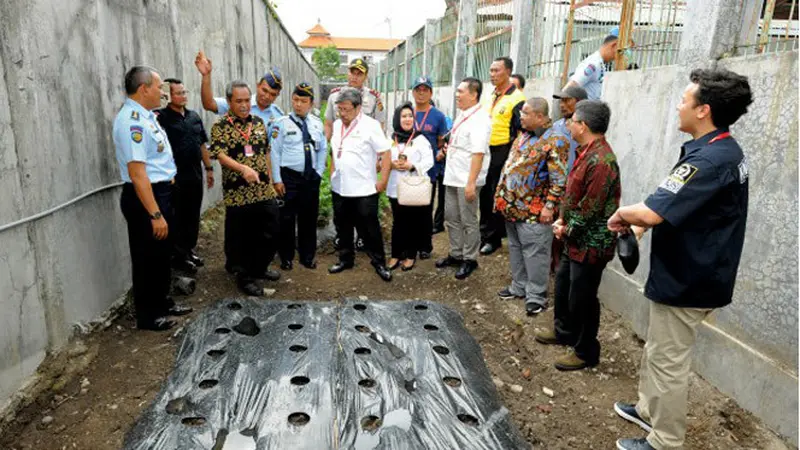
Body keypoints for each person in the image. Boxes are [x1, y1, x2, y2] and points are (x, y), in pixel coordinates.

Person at [608, 69, 752, 450]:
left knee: (668, 360)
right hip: (686, 270)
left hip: (691, 278)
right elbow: (677, 206)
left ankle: (665, 440)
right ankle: (647, 409)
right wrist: (639, 226)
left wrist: (624, 215)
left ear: (703, 110)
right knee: (658, 349)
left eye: (684, 100)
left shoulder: (709, 161)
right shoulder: (716, 150)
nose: (678, 105)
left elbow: (655, 211)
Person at [534, 100, 620, 371]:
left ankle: (586, 351)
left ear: (582, 126)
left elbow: (591, 207)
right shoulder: (586, 152)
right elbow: (575, 197)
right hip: (574, 238)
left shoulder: (603, 160)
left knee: (582, 297)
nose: (568, 124)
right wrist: (563, 220)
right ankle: (564, 332)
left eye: (572, 120)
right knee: (563, 287)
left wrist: (565, 227)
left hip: (590, 243)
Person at [113, 66, 192, 331]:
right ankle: (148, 316)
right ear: (144, 88)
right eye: (158, 87)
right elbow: (138, 174)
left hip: (162, 193)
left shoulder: (147, 116)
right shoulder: (131, 121)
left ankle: (163, 302)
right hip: (146, 198)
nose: (162, 93)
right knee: (147, 256)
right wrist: (155, 214)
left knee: (162, 253)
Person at [494, 98, 569, 315]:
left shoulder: (555, 140)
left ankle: (536, 296)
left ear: (539, 116)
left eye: (525, 113)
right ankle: (519, 286)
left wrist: (549, 206)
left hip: (534, 212)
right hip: (512, 208)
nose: (521, 116)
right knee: (516, 248)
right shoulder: (523, 135)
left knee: (535, 253)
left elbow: (559, 179)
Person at [208, 80, 281, 296]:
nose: (244, 105)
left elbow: (265, 151)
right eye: (238, 101)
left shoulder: (258, 122)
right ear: (229, 101)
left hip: (262, 189)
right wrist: (242, 169)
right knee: (246, 237)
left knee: (272, 230)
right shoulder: (220, 126)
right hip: (238, 192)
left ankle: (260, 267)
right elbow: (219, 155)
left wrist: (270, 179)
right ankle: (245, 277)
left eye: (246, 100)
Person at [328, 87, 393, 282]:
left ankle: (379, 262)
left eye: (347, 109)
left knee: (369, 228)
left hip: (364, 188)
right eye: (340, 109)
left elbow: (386, 152)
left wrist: (383, 180)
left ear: (358, 108)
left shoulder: (370, 125)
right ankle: (345, 259)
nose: (342, 113)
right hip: (340, 186)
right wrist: (332, 171)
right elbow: (335, 151)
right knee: (343, 226)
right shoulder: (338, 125)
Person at [325, 58, 386, 251]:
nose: (355, 76)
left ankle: (362, 237)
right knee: (342, 203)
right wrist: (328, 148)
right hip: (342, 152)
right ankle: (344, 240)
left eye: (359, 73)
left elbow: (380, 127)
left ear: (366, 76)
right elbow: (328, 123)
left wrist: (379, 158)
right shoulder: (335, 96)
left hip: (364, 156)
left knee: (364, 202)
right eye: (352, 72)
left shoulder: (374, 98)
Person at [155, 78, 214, 276]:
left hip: (195, 175)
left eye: (184, 92)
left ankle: (189, 250)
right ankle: (179, 257)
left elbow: (202, 144)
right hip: (175, 177)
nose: (183, 96)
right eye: (178, 93)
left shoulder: (194, 117)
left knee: (192, 215)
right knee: (178, 217)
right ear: (168, 96)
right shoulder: (161, 118)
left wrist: (209, 168)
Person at [435, 78, 491, 280]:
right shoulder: (463, 114)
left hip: (467, 178)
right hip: (452, 175)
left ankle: (470, 258)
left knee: (468, 219)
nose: (457, 95)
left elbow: (478, 153)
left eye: (461, 91)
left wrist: (471, 183)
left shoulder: (480, 119)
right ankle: (456, 253)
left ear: (474, 94)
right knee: (451, 217)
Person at [269, 83, 326, 270]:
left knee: (308, 218)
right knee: (286, 218)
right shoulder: (281, 124)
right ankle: (286, 257)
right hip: (289, 178)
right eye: (296, 100)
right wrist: (277, 179)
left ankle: (307, 256)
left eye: (303, 101)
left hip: (310, 178)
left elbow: (322, 149)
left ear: (311, 103)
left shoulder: (317, 124)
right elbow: (275, 153)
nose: (298, 104)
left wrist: (318, 172)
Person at [480, 56, 526, 256]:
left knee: (493, 194)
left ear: (508, 72)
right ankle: (484, 232)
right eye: (491, 71)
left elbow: (520, 131)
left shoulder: (517, 99)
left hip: (502, 151)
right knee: (483, 192)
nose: (492, 74)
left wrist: (513, 157)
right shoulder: (490, 95)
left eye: (496, 70)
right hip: (485, 149)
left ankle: (493, 238)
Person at [386, 102, 434, 271]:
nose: (407, 119)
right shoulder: (390, 139)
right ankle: (395, 254)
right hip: (395, 186)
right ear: (397, 119)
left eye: (410, 116)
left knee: (412, 221)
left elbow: (429, 161)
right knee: (397, 221)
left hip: (413, 186)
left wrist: (412, 166)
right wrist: (390, 164)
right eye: (403, 116)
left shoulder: (420, 139)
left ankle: (410, 255)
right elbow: (381, 160)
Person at [409, 76, 450, 249]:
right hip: (408, 169)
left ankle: (425, 246)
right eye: (418, 89)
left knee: (426, 208)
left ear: (431, 93)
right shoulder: (406, 112)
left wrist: (439, 155)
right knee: (409, 207)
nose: (421, 93)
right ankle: (409, 243)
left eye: (425, 90)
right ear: (413, 92)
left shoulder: (438, 116)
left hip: (429, 169)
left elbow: (442, 141)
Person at [194, 50, 284, 127]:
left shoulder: (278, 116)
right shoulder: (239, 102)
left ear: (278, 95)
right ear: (258, 85)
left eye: (272, 94)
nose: (267, 96)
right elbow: (208, 104)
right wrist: (206, 76)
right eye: (264, 90)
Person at [562, 33, 618, 100]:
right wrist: (562, 102)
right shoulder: (594, 64)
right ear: (614, 46)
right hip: (585, 107)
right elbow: (573, 83)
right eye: (619, 51)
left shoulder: (601, 64)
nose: (617, 57)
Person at [552, 85, 588, 171]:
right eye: (561, 101)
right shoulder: (556, 126)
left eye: (566, 100)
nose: (562, 105)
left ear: (580, 102)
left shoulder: (588, 128)